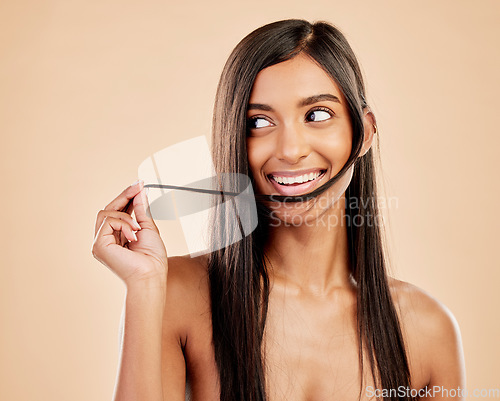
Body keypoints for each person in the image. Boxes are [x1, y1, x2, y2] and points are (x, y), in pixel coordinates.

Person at [92, 19, 466, 401]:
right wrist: (143, 287)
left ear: (365, 132)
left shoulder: (427, 331)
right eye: (259, 122)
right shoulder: (176, 294)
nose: (290, 149)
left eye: (317, 115)